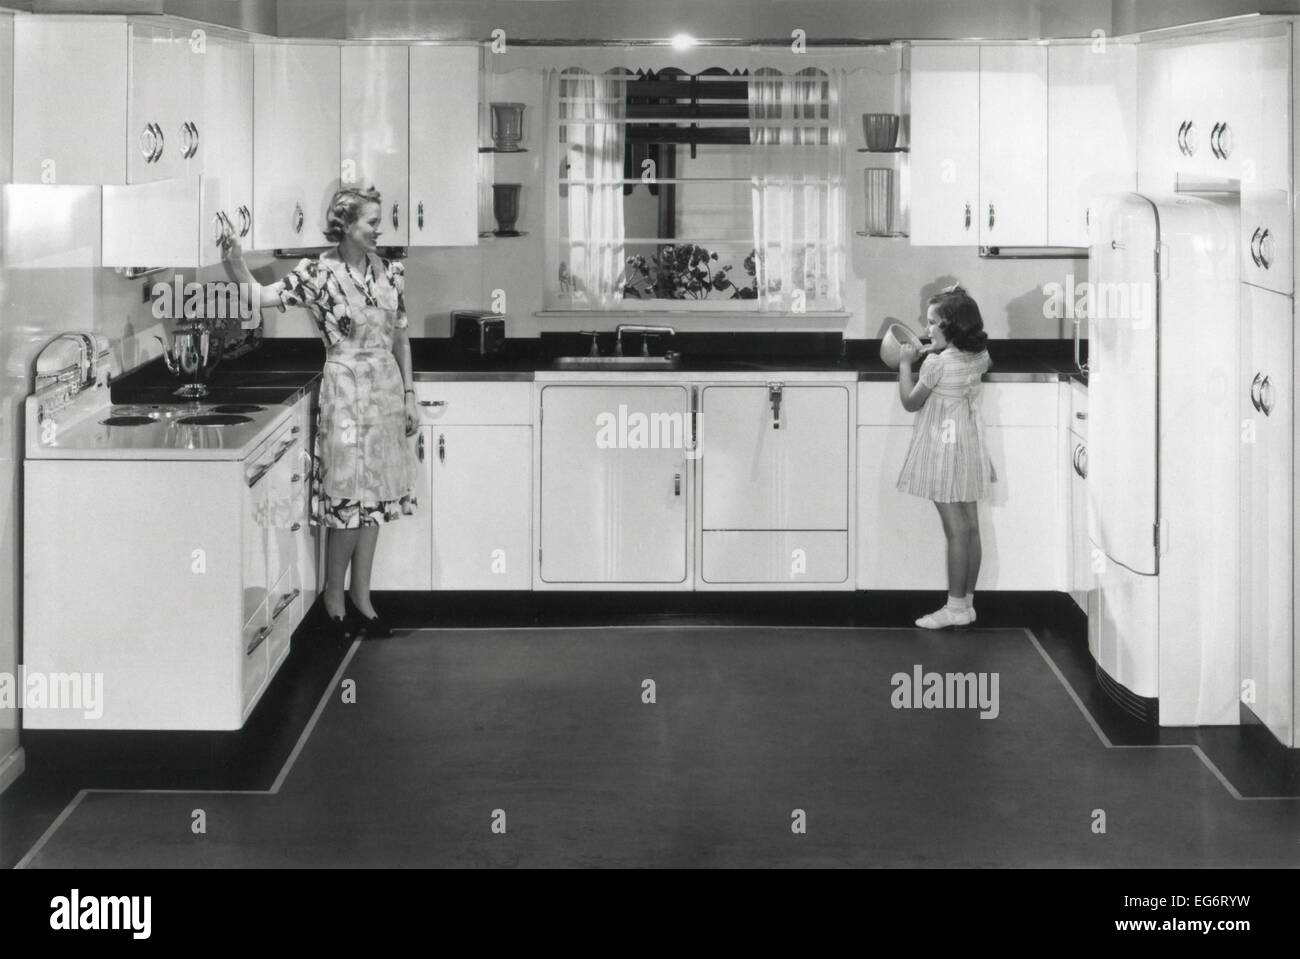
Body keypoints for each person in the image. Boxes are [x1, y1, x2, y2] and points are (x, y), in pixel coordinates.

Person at [222, 186, 419, 640]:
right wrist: (235, 261)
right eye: (372, 222)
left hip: (386, 392)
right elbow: (259, 297)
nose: (379, 230)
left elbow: (401, 338)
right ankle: (333, 600)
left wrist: (409, 395)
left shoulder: (391, 272)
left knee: (377, 502)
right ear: (346, 225)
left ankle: (362, 600)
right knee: (348, 499)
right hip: (346, 393)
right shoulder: (317, 273)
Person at [895, 284, 995, 630]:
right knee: (970, 528)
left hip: (942, 452)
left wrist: (906, 364)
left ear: (949, 327)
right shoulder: (978, 357)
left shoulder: (935, 364)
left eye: (931, 323)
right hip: (968, 448)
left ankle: (952, 610)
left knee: (955, 532)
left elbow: (911, 402)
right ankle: (967, 604)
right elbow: (976, 359)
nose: (926, 330)